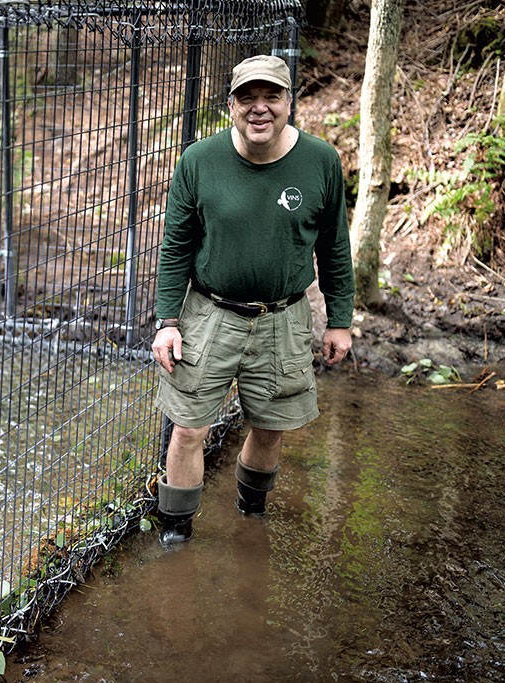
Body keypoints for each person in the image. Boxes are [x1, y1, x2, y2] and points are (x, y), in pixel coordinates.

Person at [151, 54, 354, 545]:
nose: (259, 108)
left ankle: (250, 517)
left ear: (290, 102)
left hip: (283, 319)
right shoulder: (199, 161)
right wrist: (167, 320)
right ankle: (176, 534)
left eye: (271, 96)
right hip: (209, 315)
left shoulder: (320, 161)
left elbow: (334, 247)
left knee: (270, 427)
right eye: (248, 98)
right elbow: (176, 245)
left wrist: (339, 320)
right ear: (231, 106)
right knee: (187, 429)